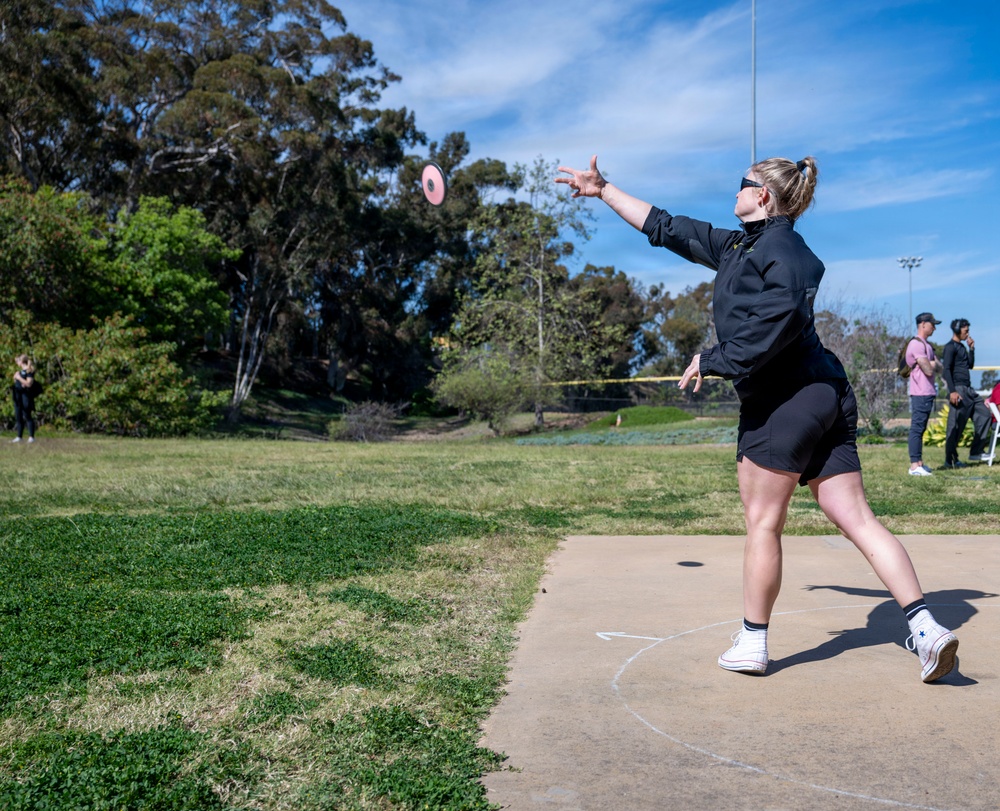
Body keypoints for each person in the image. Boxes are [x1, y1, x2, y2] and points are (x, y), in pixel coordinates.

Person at [556, 154, 958, 682]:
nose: (736, 191)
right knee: (857, 518)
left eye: (743, 185)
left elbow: (780, 321)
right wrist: (603, 190)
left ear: (763, 195)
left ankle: (752, 642)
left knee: (764, 522)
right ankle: (926, 629)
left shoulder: (787, 255)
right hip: (825, 394)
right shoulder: (739, 245)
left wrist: (713, 359)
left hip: (785, 400)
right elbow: (667, 227)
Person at [941, 318, 990, 467]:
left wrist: (972, 349)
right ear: (956, 330)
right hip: (959, 389)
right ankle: (950, 461)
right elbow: (946, 370)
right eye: (965, 331)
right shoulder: (950, 347)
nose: (968, 334)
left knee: (985, 414)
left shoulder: (962, 346)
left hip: (969, 390)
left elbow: (970, 364)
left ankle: (976, 450)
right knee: (955, 427)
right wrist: (952, 391)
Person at [904, 313, 943, 476]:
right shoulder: (916, 344)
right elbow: (928, 369)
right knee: (917, 428)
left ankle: (919, 463)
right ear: (923, 324)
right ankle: (914, 466)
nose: (934, 327)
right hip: (920, 392)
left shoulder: (927, 345)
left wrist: (932, 363)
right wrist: (932, 364)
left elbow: (939, 367)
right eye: (932, 324)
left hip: (927, 392)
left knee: (921, 429)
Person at [11, 353, 38, 443]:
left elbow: (29, 383)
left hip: (25, 396)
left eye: (17, 361)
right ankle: (19, 436)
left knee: (27, 415)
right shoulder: (19, 372)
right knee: (18, 416)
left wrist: (19, 378)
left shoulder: (29, 371)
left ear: (22, 361)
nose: (16, 363)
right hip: (18, 396)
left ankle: (31, 437)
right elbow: (17, 381)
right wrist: (16, 378)